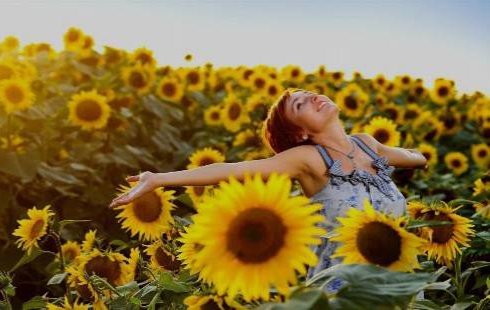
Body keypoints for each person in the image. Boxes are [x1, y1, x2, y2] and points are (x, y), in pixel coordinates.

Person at [108, 88, 427, 294]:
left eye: (310, 93)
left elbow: (413, 156)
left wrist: (417, 156)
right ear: (300, 133)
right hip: (343, 297)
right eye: (300, 104)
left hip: (401, 288)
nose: (314, 97)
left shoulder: (368, 145)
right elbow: (232, 171)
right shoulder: (308, 159)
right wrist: (160, 178)